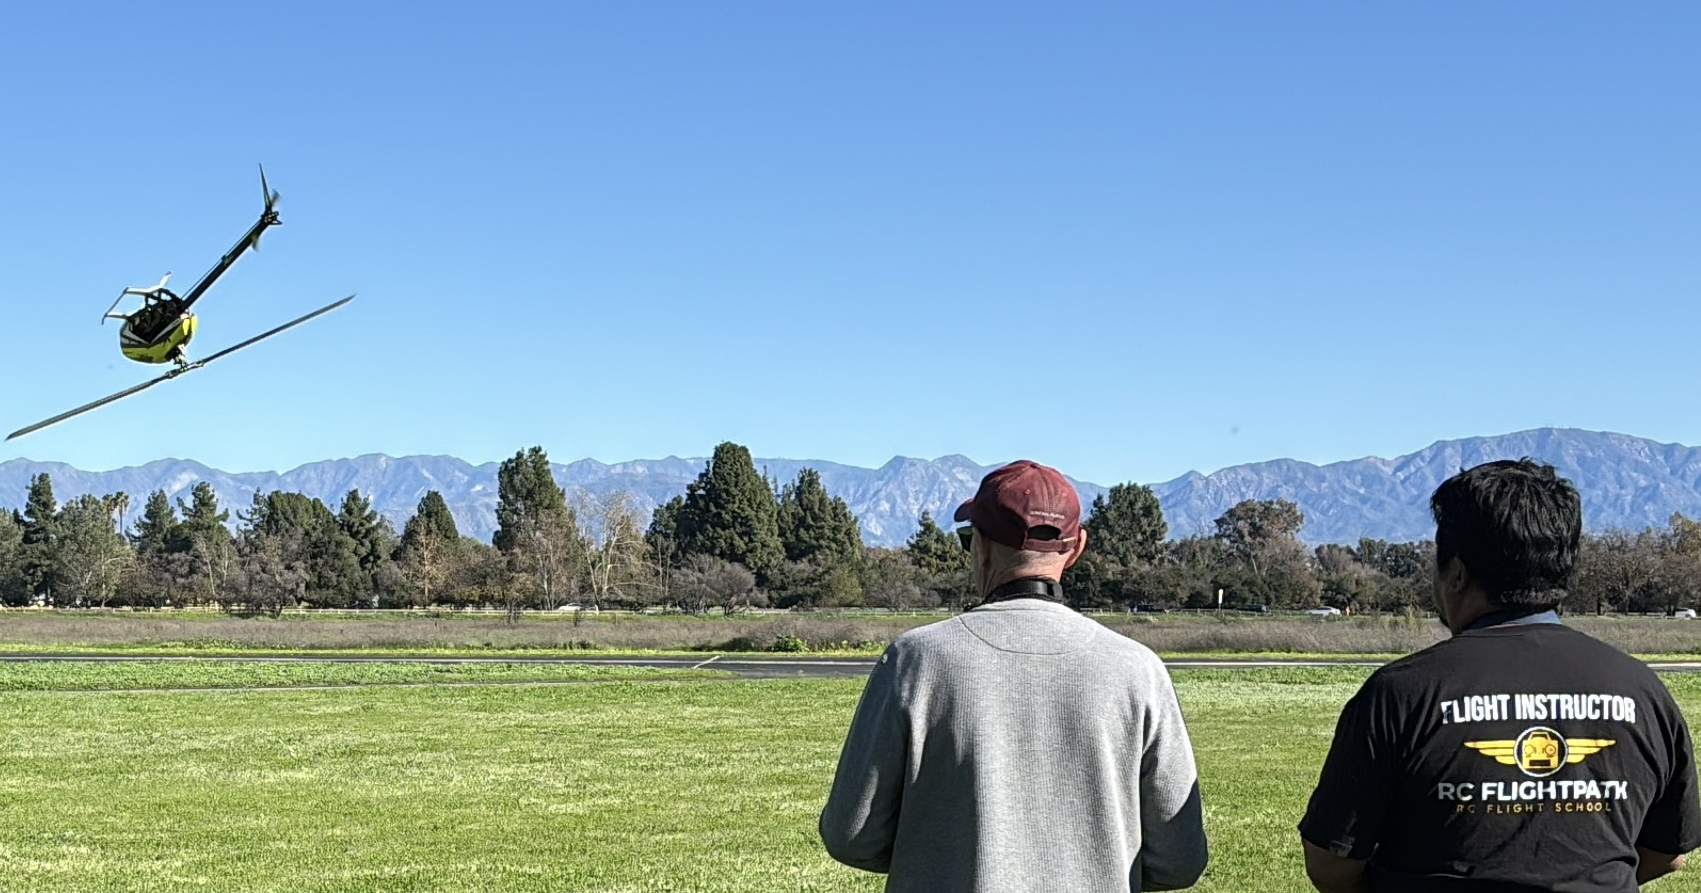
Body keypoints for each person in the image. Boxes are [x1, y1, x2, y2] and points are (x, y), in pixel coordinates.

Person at [1299, 459, 1700, 892]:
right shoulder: (1642, 691)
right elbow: (1669, 852)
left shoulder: (1399, 694)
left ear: (1456, 574)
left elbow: (1331, 864)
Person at [819, 459, 1208, 893]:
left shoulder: (915, 660)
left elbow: (851, 836)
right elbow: (1179, 861)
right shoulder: (1139, 669)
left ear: (980, 546)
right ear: (1076, 549)